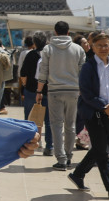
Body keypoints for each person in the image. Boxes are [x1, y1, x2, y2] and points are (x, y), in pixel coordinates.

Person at [67, 32, 109, 201]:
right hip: (94, 112)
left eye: (106, 45)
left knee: (103, 145)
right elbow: (86, 93)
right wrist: (104, 106)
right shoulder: (88, 67)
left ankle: (78, 174)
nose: (103, 48)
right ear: (92, 47)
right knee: (102, 152)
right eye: (99, 45)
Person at [35, 21, 85, 170]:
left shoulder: (48, 49)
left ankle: (61, 159)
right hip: (73, 90)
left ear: (55, 32)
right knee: (71, 125)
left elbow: (43, 71)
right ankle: (69, 156)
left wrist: (39, 91)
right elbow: (83, 72)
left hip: (54, 90)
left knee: (56, 125)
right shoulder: (78, 49)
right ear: (68, 32)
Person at [20, 31, 53, 156]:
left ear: (34, 42)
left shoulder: (31, 55)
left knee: (30, 119)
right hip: (48, 91)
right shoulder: (50, 56)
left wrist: (25, 85)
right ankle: (49, 146)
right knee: (49, 121)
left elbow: (23, 73)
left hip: (31, 91)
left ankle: (30, 144)